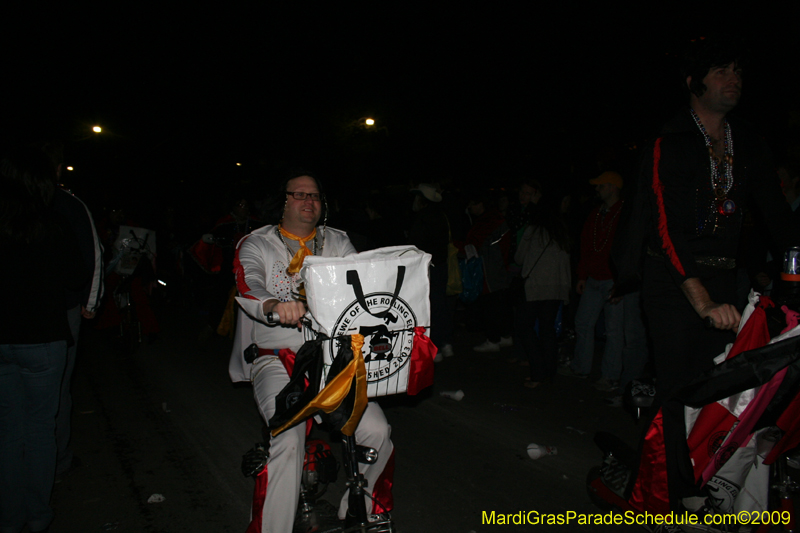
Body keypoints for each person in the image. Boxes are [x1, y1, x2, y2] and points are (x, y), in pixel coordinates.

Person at [629, 36, 796, 512]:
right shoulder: (671, 141)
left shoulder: (748, 143)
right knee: (680, 389)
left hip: (728, 282)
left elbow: (778, 217)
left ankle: (709, 482)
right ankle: (665, 496)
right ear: (693, 82)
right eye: (721, 71)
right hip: (674, 283)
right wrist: (701, 301)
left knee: (728, 389)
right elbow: (666, 230)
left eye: (738, 71)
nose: (734, 80)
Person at [230, 171, 394, 533]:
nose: (310, 202)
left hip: (330, 361)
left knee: (378, 430)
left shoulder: (337, 240)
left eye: (316, 196)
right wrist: (274, 304)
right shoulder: (255, 243)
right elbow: (248, 284)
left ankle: (359, 511)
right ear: (283, 201)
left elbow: (361, 284)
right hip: (276, 358)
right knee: (288, 440)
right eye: (300, 195)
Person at [0, 146, 88, 533]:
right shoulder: (53, 224)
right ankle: (36, 515)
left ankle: (8, 516)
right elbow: (75, 277)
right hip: (44, 339)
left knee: (7, 430)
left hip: (3, 339)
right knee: (39, 429)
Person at [42, 142, 104, 477]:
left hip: (58, 310)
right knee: (54, 390)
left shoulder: (68, 205)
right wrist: (89, 303)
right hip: (58, 313)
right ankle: (52, 461)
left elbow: (91, 254)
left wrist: (90, 301)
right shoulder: (65, 205)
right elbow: (90, 258)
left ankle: (53, 459)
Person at [560, 171, 625, 393]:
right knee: (583, 323)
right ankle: (581, 367)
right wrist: (582, 276)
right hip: (593, 280)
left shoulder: (624, 213)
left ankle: (610, 376)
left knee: (614, 330)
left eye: (601, 186)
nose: (597, 190)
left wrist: (622, 281)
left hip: (612, 281)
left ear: (613, 187)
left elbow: (627, 250)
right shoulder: (596, 214)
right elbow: (585, 246)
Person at [514, 193, 571, 388]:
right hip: (557, 288)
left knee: (524, 325)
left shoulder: (534, 230)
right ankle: (549, 372)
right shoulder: (562, 231)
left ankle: (538, 371)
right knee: (548, 329)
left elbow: (519, 258)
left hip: (536, 286)